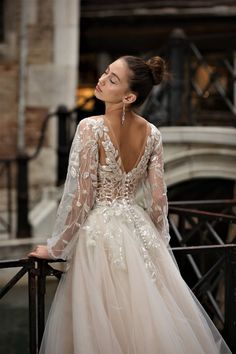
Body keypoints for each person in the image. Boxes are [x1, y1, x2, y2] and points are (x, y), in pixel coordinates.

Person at [29, 55, 232, 354]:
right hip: (139, 230)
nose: (101, 79)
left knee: (101, 323)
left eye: (112, 79)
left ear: (129, 96)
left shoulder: (90, 127)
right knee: (146, 320)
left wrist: (57, 248)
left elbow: (80, 198)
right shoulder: (153, 134)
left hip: (99, 234)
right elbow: (159, 199)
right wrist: (159, 243)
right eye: (106, 71)